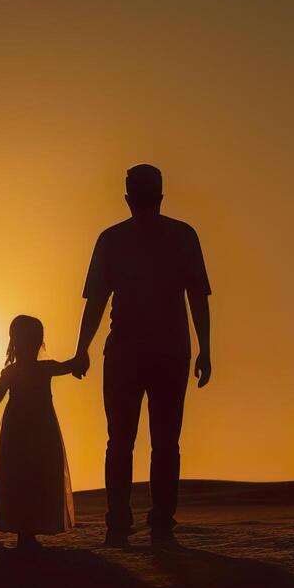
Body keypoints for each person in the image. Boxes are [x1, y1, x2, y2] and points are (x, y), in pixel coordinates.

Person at [70, 164, 212, 548]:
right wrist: (205, 348)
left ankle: (121, 522)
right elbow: (197, 297)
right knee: (163, 442)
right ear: (161, 196)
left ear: (128, 198)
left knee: (122, 441)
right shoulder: (182, 235)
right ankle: (158, 523)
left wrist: (82, 348)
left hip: (130, 353)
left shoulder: (112, 239)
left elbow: (96, 301)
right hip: (166, 351)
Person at [0, 315, 76, 550]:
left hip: (33, 429)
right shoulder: (18, 372)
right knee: (24, 476)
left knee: (33, 475)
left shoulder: (33, 369)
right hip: (25, 429)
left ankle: (27, 535)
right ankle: (25, 536)